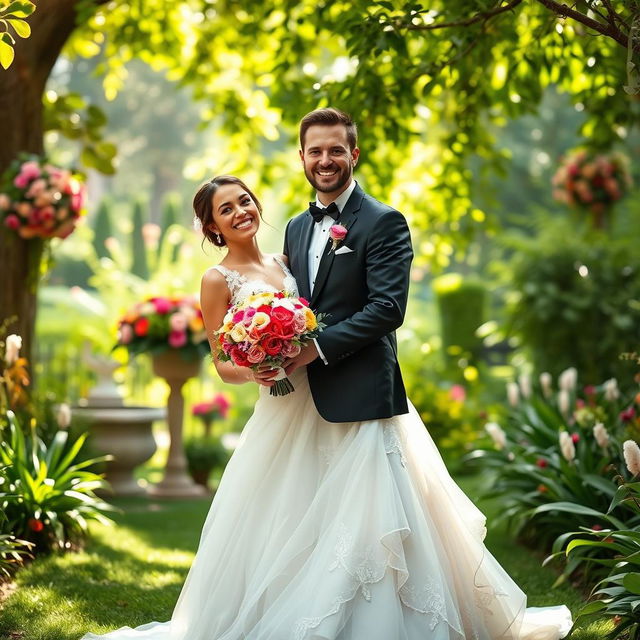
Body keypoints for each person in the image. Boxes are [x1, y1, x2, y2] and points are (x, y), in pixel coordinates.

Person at [80, 111, 573, 640]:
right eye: (315, 152)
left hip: (362, 395)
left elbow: (387, 308)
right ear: (302, 159)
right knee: (292, 521)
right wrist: (262, 364)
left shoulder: (381, 222)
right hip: (293, 406)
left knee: (375, 521)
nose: (325, 161)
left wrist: (308, 349)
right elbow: (234, 353)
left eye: (335, 150)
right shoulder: (291, 231)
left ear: (353, 154)